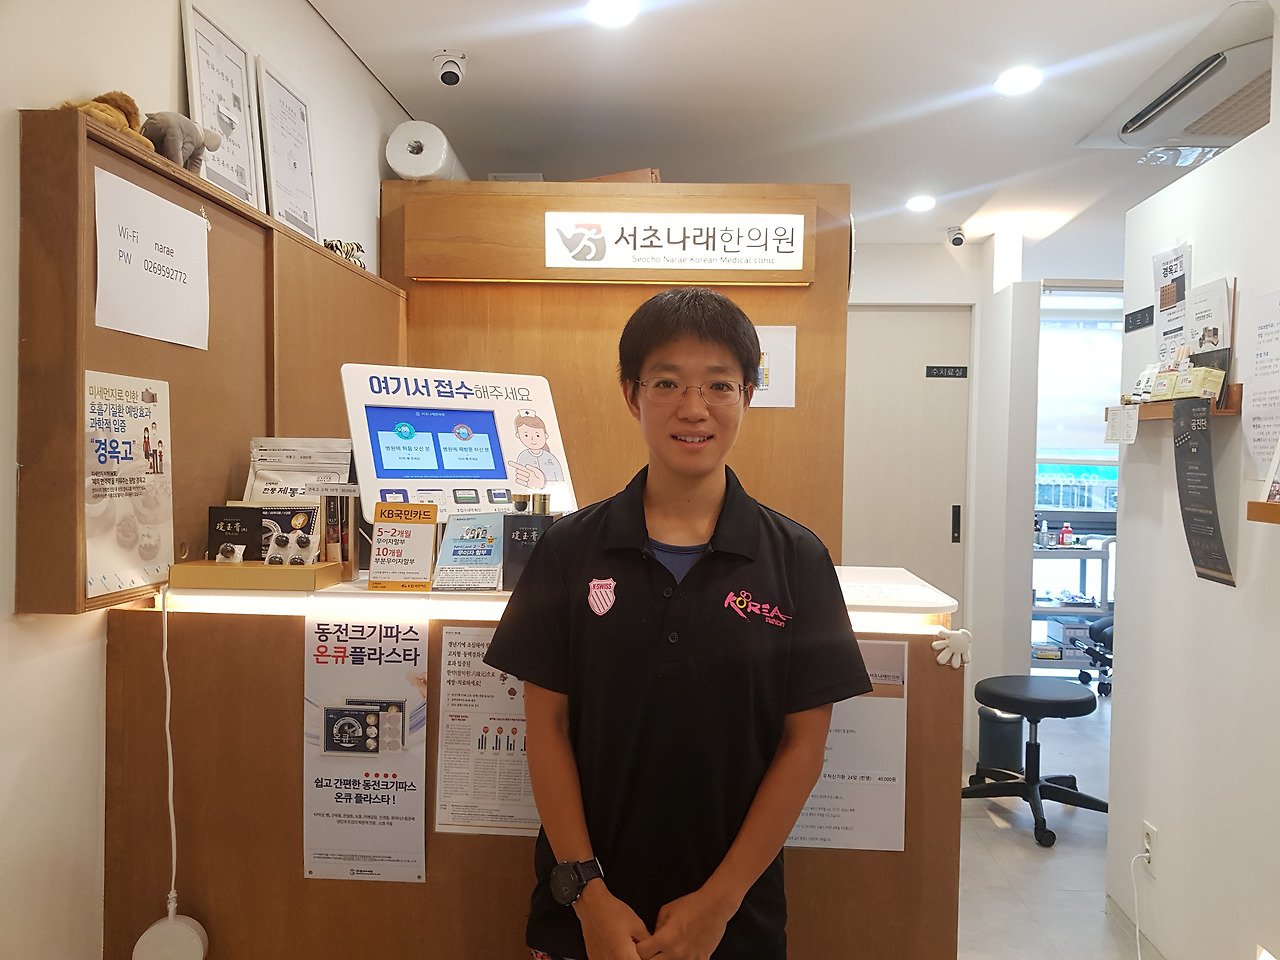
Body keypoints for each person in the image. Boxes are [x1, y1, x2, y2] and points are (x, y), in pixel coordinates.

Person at [484, 287, 871, 960]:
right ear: (632, 395)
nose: (694, 408)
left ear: (747, 394)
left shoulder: (796, 558)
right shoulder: (569, 549)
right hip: (583, 919)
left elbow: (802, 746)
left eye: (719, 384)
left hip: (734, 923)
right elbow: (545, 729)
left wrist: (718, 904)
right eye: (667, 383)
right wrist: (587, 895)